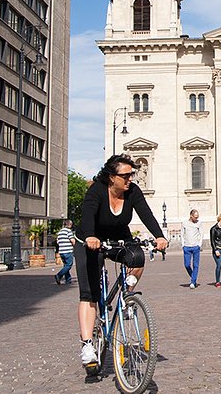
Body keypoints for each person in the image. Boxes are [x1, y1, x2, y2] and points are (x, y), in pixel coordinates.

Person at [75, 155, 167, 372]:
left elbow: (146, 213)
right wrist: (89, 236)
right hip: (90, 241)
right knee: (90, 294)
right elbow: (88, 214)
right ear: (111, 177)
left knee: (137, 258)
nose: (129, 179)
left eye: (131, 175)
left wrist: (159, 236)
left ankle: (126, 295)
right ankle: (88, 345)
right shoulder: (97, 190)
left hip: (118, 238)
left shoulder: (133, 191)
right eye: (125, 175)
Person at [181, 209, 203, 288]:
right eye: (195, 217)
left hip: (195, 246)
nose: (196, 219)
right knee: (187, 265)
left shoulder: (199, 223)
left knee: (195, 265)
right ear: (191, 216)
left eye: (197, 217)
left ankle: (193, 282)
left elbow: (201, 234)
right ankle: (193, 277)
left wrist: (199, 245)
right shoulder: (184, 223)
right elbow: (182, 234)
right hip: (187, 246)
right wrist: (183, 245)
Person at [54, 220, 74, 285]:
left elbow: (57, 242)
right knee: (69, 265)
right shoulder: (68, 231)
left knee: (65, 265)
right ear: (70, 225)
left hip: (61, 251)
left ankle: (68, 279)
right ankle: (59, 275)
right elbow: (72, 240)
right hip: (68, 251)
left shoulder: (60, 232)